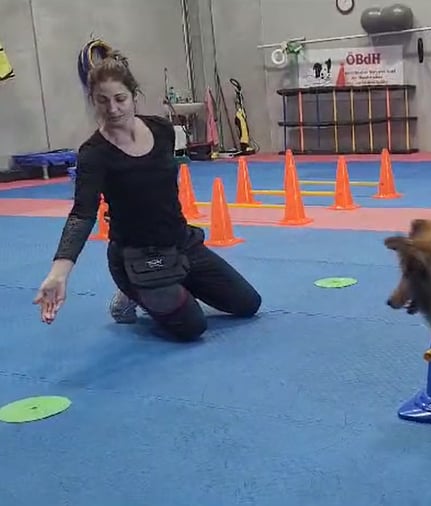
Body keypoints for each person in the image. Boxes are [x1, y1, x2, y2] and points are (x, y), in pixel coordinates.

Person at [33, 50, 262, 341]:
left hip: (181, 245)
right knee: (194, 328)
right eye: (103, 101)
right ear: (93, 101)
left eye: (120, 99)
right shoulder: (94, 154)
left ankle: (170, 284)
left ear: (133, 96)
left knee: (247, 304)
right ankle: (132, 291)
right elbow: (82, 214)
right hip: (136, 256)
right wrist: (59, 272)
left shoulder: (162, 130)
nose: (113, 109)